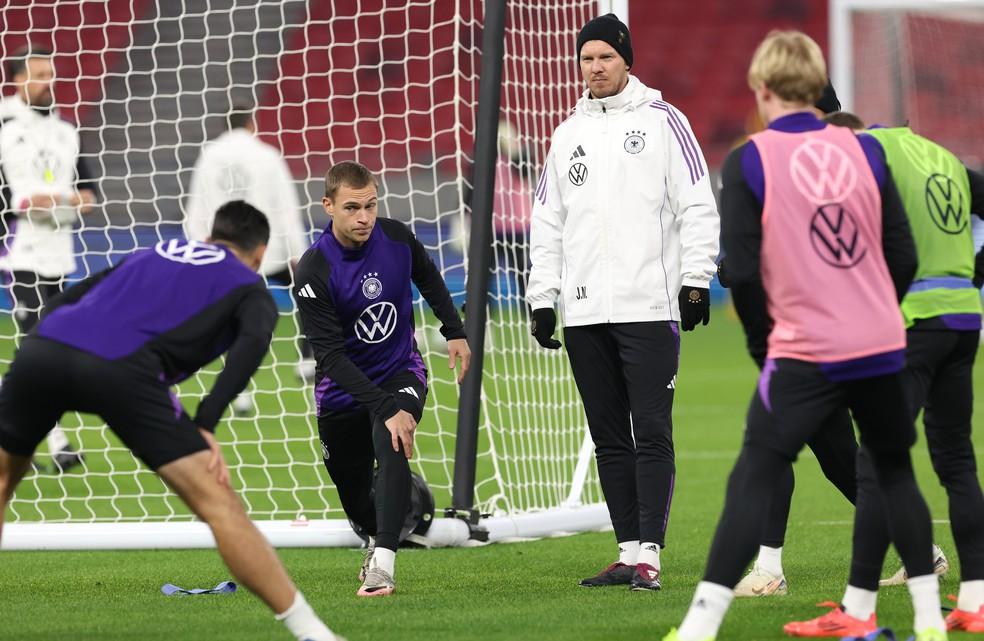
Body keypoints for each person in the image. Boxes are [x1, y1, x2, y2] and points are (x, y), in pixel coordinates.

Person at [665, 31, 946, 641]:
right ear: (819, 88)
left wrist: (767, 347)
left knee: (756, 471)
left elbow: (738, 270)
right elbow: (899, 250)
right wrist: (871, 308)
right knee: (892, 471)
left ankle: (700, 626)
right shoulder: (866, 151)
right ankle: (930, 623)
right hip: (877, 342)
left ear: (761, 89)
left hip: (804, 346)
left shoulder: (751, 159)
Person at [0, 201, 343, 641]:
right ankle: (314, 633)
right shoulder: (248, 284)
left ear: (210, 236)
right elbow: (254, 343)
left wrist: (39, 360)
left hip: (44, 349)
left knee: (5, 482)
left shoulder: (154, 251)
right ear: (259, 253)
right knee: (219, 505)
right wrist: (206, 420)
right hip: (123, 369)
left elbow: (69, 296)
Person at [526, 13, 719, 592]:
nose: (595, 67)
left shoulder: (664, 122)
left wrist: (695, 278)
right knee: (609, 436)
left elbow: (697, 205)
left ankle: (651, 557)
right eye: (587, 58)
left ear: (627, 60)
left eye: (606, 57)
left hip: (648, 307)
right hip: (585, 313)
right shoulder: (567, 134)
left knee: (652, 431)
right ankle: (627, 550)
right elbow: (547, 222)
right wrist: (543, 297)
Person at [730, 101, 952, 600]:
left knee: (774, 443)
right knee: (843, 459)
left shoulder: (828, 171)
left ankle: (768, 569)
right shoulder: (849, 167)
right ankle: (925, 554)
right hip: (851, 339)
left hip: (829, 340)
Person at [784, 112, 984, 633]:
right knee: (957, 461)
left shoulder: (871, 157)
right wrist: (977, 270)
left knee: (876, 463)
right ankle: (975, 602)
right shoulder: (941, 157)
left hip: (912, 324)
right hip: (962, 319)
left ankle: (856, 612)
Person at [293, 161, 470, 597]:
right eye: (352, 207)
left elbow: (428, 276)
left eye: (370, 205)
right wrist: (381, 405)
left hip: (400, 371)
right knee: (355, 498)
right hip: (342, 392)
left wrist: (455, 331)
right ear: (328, 206)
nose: (364, 217)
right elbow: (331, 358)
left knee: (392, 435)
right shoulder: (314, 270)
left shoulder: (394, 237)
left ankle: (383, 565)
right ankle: (386, 521)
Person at [0, 44, 97, 472]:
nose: (47, 83)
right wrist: (60, 200)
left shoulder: (65, 132)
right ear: (18, 79)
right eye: (39, 75)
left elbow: (89, 197)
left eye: (50, 75)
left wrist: (51, 200)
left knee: (46, 348)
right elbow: (20, 202)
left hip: (60, 254)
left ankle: (25, 432)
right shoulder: (4, 126)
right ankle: (57, 443)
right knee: (39, 345)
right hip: (17, 250)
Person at [184, 101, 312, 401]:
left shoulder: (210, 155)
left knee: (234, 315)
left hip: (225, 253)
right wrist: (298, 250)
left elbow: (196, 204)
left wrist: (197, 245)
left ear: (226, 125)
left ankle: (239, 388)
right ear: (251, 124)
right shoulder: (267, 155)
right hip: (267, 249)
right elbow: (286, 207)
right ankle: (307, 358)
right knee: (307, 293)